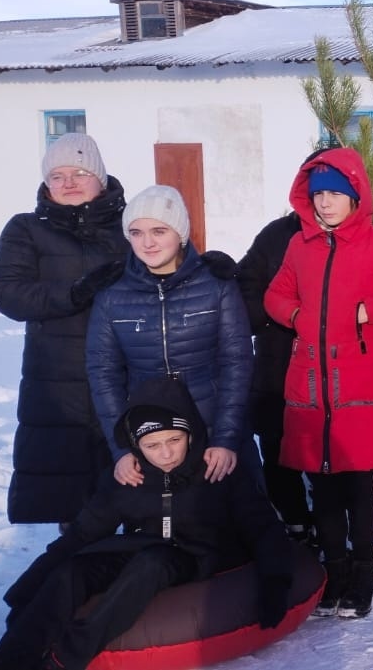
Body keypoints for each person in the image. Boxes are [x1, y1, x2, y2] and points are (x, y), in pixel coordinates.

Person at [0, 376, 294, 670]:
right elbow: (81, 534)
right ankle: (8, 660)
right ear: (136, 445)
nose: (167, 454)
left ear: (190, 432)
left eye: (175, 439)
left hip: (201, 555)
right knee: (75, 570)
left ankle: (63, 659)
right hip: (147, 547)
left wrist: (275, 585)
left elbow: (263, 529)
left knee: (152, 564)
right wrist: (29, 585)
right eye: (153, 445)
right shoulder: (129, 478)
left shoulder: (218, 472)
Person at [264, 147, 373, 620]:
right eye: (318, 193)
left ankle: (362, 572)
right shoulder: (299, 246)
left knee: (358, 486)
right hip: (311, 384)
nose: (325, 203)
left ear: (355, 196)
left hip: (359, 387)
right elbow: (274, 295)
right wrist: (296, 314)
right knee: (320, 487)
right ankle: (335, 571)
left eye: (335, 194)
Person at [0, 133, 130, 526]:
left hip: (126, 379)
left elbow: (170, 265)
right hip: (56, 382)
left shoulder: (132, 225)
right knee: (72, 503)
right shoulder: (26, 229)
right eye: (57, 175)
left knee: (138, 492)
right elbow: (8, 292)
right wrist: (74, 292)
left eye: (80, 172)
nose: (68, 182)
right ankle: (77, 579)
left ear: (100, 177)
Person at [86, 184, 255, 490]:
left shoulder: (216, 286)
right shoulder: (112, 295)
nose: (147, 243)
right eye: (136, 233)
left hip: (212, 430)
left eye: (159, 231)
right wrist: (123, 448)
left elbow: (237, 363)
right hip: (150, 439)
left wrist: (226, 438)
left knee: (231, 525)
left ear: (181, 234)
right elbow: (103, 374)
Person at [237, 208, 314, 544]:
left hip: (333, 365)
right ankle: (292, 523)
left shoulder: (360, 238)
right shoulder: (275, 235)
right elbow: (245, 286)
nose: (323, 200)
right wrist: (274, 314)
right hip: (275, 363)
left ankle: (335, 534)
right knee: (277, 446)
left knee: (328, 450)